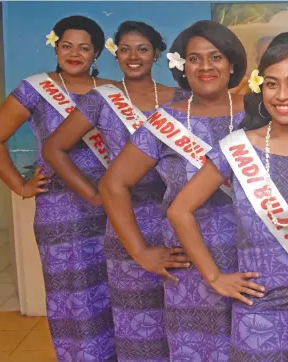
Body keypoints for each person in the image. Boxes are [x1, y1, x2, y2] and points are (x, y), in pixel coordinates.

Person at [167, 33, 288, 360]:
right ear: (259, 87)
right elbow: (179, 210)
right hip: (258, 316)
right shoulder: (237, 146)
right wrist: (214, 277)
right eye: (272, 84)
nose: (283, 96)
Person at [42, 20, 190, 361]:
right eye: (125, 49)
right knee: (135, 324)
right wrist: (95, 196)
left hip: (177, 221)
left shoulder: (180, 98)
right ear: (115, 54)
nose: (133, 56)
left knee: (183, 319)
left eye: (142, 49)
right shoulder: (101, 100)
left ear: (156, 54)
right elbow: (54, 149)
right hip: (126, 223)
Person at [99, 20, 247, 360]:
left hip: (253, 259)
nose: (206, 66)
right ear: (182, 65)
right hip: (191, 268)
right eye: (195, 58)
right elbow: (113, 184)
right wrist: (139, 251)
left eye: (216, 56)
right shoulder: (164, 122)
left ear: (232, 63)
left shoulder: (259, 114)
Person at [0, 15, 117, 360]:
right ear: (55, 47)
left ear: (96, 53)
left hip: (113, 206)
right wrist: (21, 186)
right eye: (66, 45)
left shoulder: (113, 90)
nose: (74, 53)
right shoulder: (36, 89)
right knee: (73, 295)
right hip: (62, 212)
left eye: (84, 47)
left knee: (117, 285)